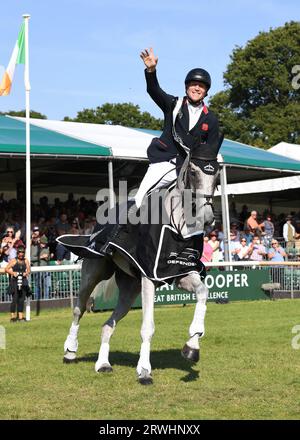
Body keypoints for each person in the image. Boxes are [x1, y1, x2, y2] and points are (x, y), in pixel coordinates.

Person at [99, 47, 222, 255]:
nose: (196, 88)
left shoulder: (211, 119)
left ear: (206, 91)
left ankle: (194, 257)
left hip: (189, 170)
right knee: (140, 198)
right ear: (186, 87)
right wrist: (151, 71)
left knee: (201, 208)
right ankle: (113, 240)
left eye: (201, 86)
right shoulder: (173, 104)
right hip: (165, 161)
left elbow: (210, 151)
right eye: (193, 84)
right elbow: (154, 91)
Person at [5, 245, 31, 322]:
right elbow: (6, 269)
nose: (21, 254)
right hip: (15, 282)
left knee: (22, 299)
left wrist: (26, 273)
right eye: (20, 252)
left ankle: (20, 317)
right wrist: (13, 273)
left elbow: (29, 270)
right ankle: (13, 317)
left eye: (22, 252)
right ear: (17, 253)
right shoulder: (14, 261)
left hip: (23, 281)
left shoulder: (26, 260)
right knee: (15, 299)